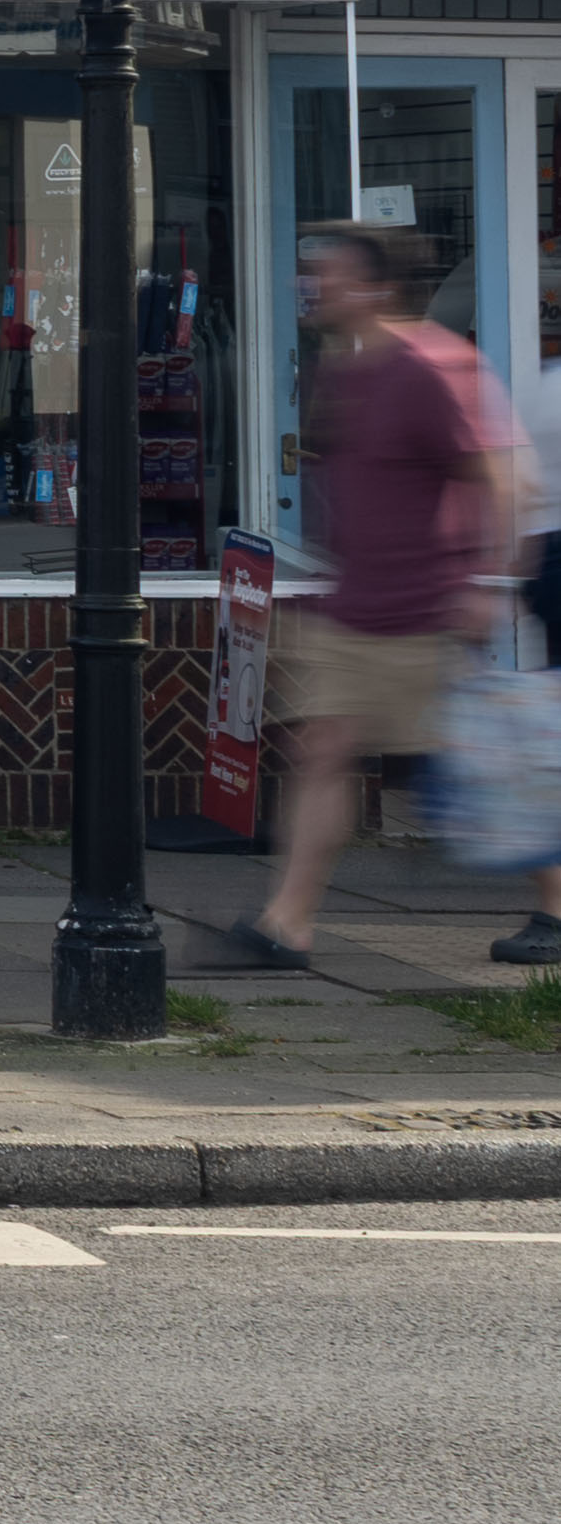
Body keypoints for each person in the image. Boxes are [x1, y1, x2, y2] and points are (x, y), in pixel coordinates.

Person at [225, 217, 523, 975]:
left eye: (325, 275)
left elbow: (503, 481)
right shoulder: (349, 369)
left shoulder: (432, 368)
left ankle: (553, 900)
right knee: (320, 752)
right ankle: (284, 924)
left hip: (422, 610)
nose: (311, 287)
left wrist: (486, 585)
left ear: (373, 287)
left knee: (489, 766)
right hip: (355, 608)